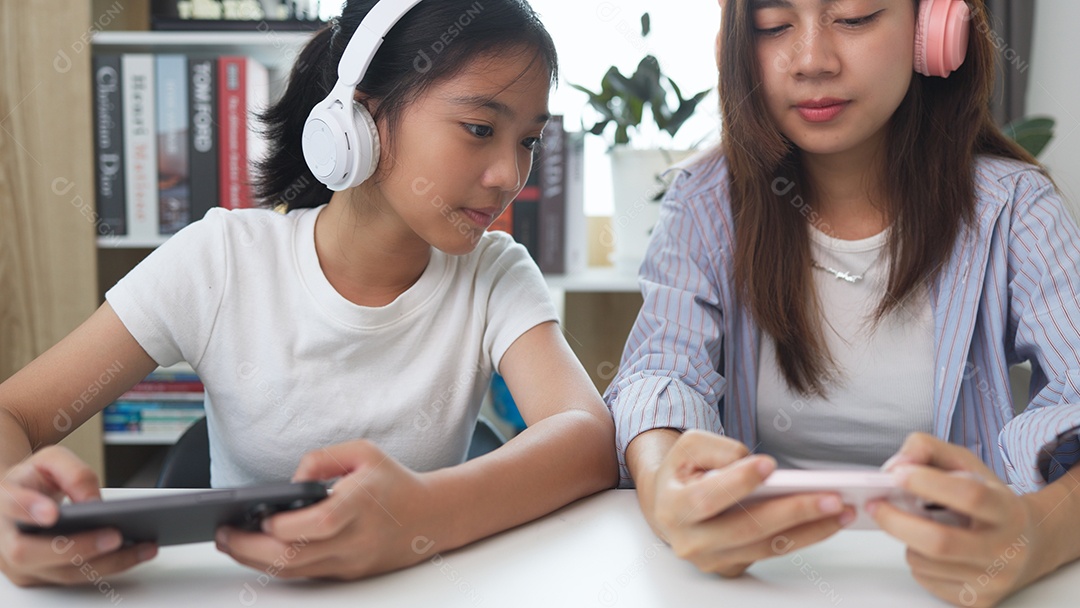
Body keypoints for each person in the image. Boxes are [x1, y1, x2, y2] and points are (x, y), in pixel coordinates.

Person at [0, 0, 617, 587]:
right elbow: (15, 414)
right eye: (480, 128)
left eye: (528, 141)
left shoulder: (495, 273)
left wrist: (422, 517)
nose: (510, 175)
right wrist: (9, 511)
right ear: (358, 121)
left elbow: (587, 439)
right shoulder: (221, 260)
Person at [604, 0, 1080, 606]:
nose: (811, 62)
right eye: (773, 27)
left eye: (853, 17)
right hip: (762, 585)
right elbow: (659, 376)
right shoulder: (702, 205)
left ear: (933, 28)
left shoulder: (1014, 209)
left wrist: (1034, 538)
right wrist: (665, 488)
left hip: (941, 584)